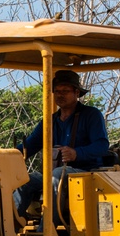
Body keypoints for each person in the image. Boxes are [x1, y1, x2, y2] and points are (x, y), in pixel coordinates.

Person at [14, 69, 110, 225]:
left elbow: (102, 145)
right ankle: (10, 232)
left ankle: (47, 232)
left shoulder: (91, 115)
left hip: (85, 172)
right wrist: (6, 156)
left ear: (77, 92)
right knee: (24, 181)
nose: (60, 95)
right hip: (55, 172)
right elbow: (30, 145)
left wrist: (76, 153)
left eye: (65, 91)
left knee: (56, 176)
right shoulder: (50, 121)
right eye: (57, 91)